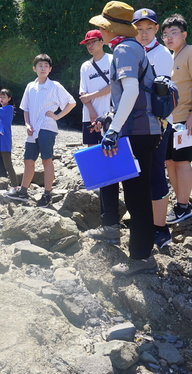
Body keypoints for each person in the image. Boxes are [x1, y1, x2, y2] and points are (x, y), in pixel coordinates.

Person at [88, 1, 162, 276]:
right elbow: (127, 95)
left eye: (101, 27)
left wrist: (113, 131)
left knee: (137, 196)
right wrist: (110, 119)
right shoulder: (131, 48)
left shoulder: (123, 49)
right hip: (141, 130)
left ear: (112, 29)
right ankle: (141, 252)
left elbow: (131, 91)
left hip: (139, 132)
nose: (99, 32)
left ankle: (142, 258)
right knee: (136, 194)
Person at [8, 54, 76, 207]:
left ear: (50, 69)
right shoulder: (30, 86)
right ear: (34, 68)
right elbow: (25, 108)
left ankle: (47, 194)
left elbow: (71, 102)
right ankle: (23, 192)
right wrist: (26, 124)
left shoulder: (55, 86)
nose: (43, 68)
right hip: (32, 129)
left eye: (46, 65)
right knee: (28, 160)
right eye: (40, 65)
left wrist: (57, 116)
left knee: (46, 160)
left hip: (47, 126)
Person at [133, 8, 175, 248]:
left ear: (156, 29)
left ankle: (161, 229)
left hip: (156, 122)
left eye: (148, 28)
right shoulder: (137, 51)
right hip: (138, 123)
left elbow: (155, 91)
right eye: (139, 29)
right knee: (141, 173)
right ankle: (149, 221)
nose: (144, 33)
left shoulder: (162, 54)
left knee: (155, 173)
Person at [160, 14, 192, 225]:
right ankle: (181, 204)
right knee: (169, 161)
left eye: (173, 33)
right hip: (168, 120)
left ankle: (183, 206)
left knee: (182, 162)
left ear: (184, 34)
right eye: (165, 34)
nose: (169, 37)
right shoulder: (170, 57)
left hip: (185, 119)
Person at [78, 30, 121, 243]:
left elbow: (114, 85)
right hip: (91, 118)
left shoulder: (113, 60)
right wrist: (93, 112)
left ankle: (112, 220)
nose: (89, 46)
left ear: (102, 42)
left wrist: (93, 99)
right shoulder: (85, 66)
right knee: (97, 163)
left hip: (111, 119)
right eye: (87, 43)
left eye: (93, 42)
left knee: (111, 162)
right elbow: (82, 93)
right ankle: (106, 217)